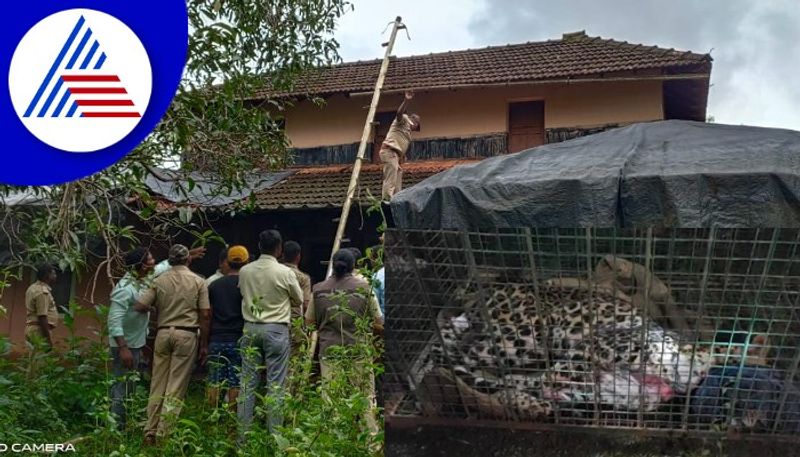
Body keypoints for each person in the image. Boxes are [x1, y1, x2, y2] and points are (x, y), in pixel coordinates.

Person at [134, 245, 210, 445]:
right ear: (188, 260)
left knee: (157, 382)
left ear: (170, 260)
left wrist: (158, 308)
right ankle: (163, 434)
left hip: (163, 332)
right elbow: (205, 314)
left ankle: (149, 431)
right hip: (186, 334)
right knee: (175, 386)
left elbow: (140, 305)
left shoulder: (159, 280)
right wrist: (204, 342)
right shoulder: (198, 281)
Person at [305, 249, 384, 435]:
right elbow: (378, 321)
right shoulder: (365, 288)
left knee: (331, 401)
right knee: (365, 399)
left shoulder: (318, 289)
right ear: (353, 266)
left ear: (333, 265)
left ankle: (336, 443)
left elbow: (309, 323)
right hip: (359, 352)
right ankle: (371, 443)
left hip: (329, 352)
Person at [237, 230, 303, 436]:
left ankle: (243, 439)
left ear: (259, 246)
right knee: (276, 384)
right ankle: (275, 437)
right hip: (276, 329)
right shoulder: (285, 272)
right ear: (280, 249)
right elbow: (299, 299)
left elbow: (241, 292)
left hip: (250, 327)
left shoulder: (245, 271)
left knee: (247, 384)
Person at [107, 247, 171, 430]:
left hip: (135, 342)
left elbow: (161, 267)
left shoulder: (143, 279)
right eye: (150, 259)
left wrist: (186, 255)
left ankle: (122, 423)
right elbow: (114, 319)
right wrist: (123, 348)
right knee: (122, 386)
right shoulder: (125, 288)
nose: (154, 261)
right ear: (142, 266)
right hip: (125, 345)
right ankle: (116, 429)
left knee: (129, 385)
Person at [206, 245, 248, 410]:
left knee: (214, 379)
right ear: (246, 262)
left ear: (228, 262)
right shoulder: (245, 286)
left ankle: (212, 417)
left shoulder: (214, 285)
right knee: (235, 381)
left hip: (216, 339)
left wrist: (205, 342)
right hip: (238, 339)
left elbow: (208, 315)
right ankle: (231, 421)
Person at [379, 90, 421, 201]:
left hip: (396, 155)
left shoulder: (407, 133)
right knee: (391, 174)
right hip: (389, 151)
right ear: (414, 123)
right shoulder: (404, 120)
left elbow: (401, 144)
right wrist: (406, 100)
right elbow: (399, 113)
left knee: (398, 173)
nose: (415, 129)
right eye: (416, 127)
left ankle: (396, 198)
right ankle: (387, 198)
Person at [24, 264, 59, 349]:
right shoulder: (42, 292)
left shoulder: (32, 288)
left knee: (33, 359)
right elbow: (42, 316)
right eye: (53, 274)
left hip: (32, 329)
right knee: (40, 359)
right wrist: (48, 339)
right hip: (39, 330)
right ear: (47, 275)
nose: (55, 276)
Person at [281, 241, 311, 320]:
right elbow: (306, 304)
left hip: (275, 318)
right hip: (294, 320)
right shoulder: (304, 278)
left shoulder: (274, 273)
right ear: (299, 257)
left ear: (283, 255)